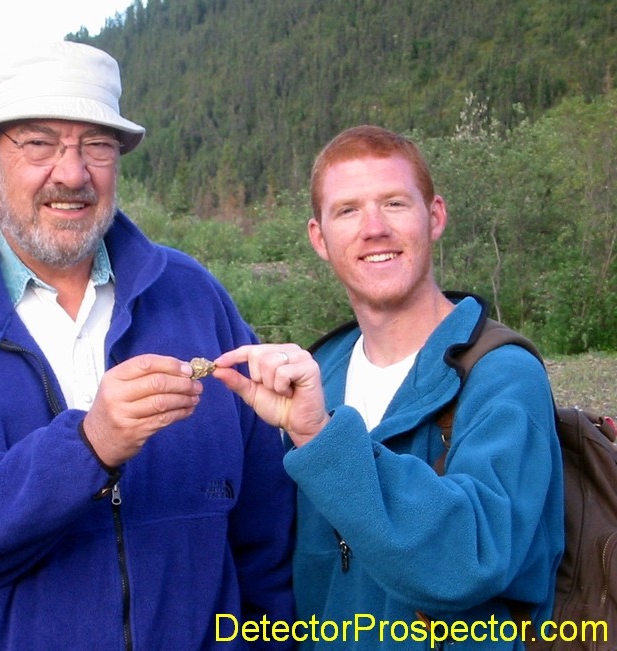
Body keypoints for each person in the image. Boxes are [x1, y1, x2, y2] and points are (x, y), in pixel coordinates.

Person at [0, 41, 295, 650]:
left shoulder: (192, 293)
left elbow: (265, 525)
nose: (73, 172)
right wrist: (91, 445)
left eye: (98, 146)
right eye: (39, 143)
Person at [214, 126, 564, 650]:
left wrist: (319, 437)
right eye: (348, 210)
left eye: (395, 203)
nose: (374, 228)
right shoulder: (320, 372)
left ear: (436, 216)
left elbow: (470, 560)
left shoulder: (501, 376)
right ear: (319, 238)